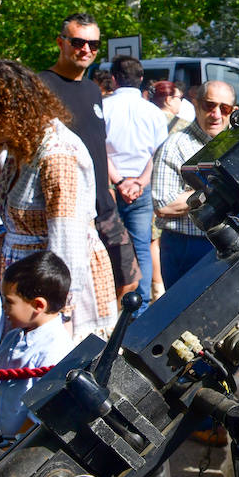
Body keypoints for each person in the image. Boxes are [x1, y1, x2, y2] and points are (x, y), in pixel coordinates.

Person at [0, 59, 117, 340]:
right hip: (28, 291)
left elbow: (68, 245)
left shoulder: (58, 154)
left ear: (11, 109)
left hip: (52, 299)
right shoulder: (23, 147)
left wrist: (59, 313)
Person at [40, 13, 140, 300]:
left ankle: (113, 343)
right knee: (74, 294)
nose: (86, 50)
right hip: (68, 210)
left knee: (128, 282)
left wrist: (118, 181)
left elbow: (98, 146)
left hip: (104, 205)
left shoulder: (93, 90)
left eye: (93, 45)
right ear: (61, 43)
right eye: (78, 42)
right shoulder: (41, 86)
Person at [152, 81, 238, 287]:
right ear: (196, 105)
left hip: (234, 242)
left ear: (233, 111)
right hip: (187, 247)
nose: (216, 114)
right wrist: (216, 192)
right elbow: (163, 205)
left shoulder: (238, 143)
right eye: (210, 105)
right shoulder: (174, 146)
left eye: (224, 108)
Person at [102, 56, 170, 306]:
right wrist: (140, 181)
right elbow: (158, 153)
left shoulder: (104, 107)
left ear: (113, 79)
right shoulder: (153, 112)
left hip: (112, 187)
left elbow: (100, 150)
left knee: (111, 248)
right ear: (141, 79)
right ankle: (138, 308)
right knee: (142, 247)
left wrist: (120, 182)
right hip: (140, 185)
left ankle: (115, 304)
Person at [0, 250, 74, 439]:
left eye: (9, 302)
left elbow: (39, 414)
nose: (4, 308)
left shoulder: (55, 349)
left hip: (20, 449)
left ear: (38, 305)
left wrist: (11, 450)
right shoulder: (12, 338)